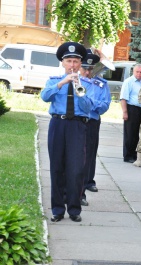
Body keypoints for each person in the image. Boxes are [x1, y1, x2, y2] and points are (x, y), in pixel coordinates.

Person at [40, 42, 92, 222]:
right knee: (56, 168)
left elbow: (89, 108)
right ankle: (57, 209)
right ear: (63, 63)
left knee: (76, 169)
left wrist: (80, 91)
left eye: (76, 62)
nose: (72, 65)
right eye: (69, 61)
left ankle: (74, 209)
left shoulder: (86, 83)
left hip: (77, 126)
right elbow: (45, 97)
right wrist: (62, 83)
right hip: (58, 124)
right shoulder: (54, 80)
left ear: (80, 64)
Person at [79, 49, 111, 206]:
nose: (87, 72)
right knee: (75, 156)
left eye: (90, 69)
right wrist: (92, 104)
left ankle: (86, 184)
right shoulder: (76, 81)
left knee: (90, 154)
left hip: (92, 122)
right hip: (77, 121)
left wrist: (89, 103)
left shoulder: (101, 85)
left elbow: (104, 106)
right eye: (84, 68)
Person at [120, 64, 141, 163]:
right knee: (129, 133)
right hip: (131, 109)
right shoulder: (129, 82)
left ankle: (134, 154)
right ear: (133, 72)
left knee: (137, 134)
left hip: (140, 110)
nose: (139, 74)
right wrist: (125, 112)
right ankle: (128, 155)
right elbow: (123, 98)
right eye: (137, 72)